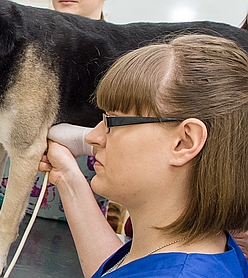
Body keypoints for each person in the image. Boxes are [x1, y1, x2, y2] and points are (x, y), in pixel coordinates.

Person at [40, 34, 248, 277]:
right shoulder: (202, 247)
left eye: (113, 121)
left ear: (184, 142)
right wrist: (67, 177)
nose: (93, 137)